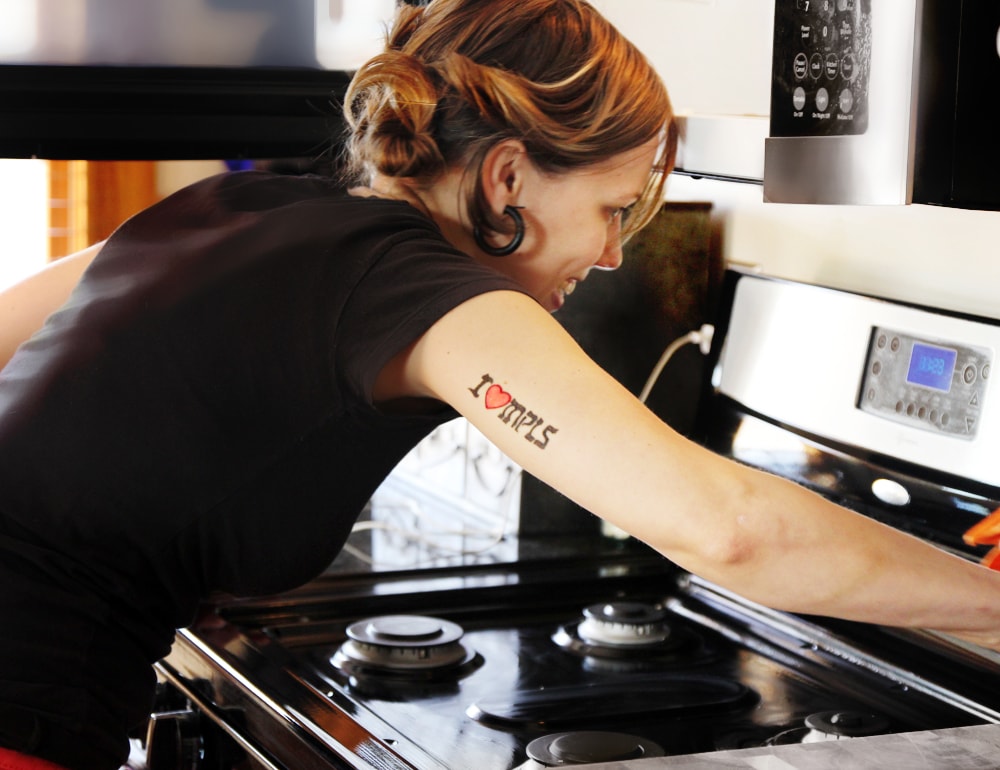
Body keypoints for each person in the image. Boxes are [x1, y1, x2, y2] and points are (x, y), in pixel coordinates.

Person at [0, 1, 998, 768]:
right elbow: (725, 527)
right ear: (507, 178)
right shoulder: (431, 290)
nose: (613, 252)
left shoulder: (232, 201)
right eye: (612, 206)